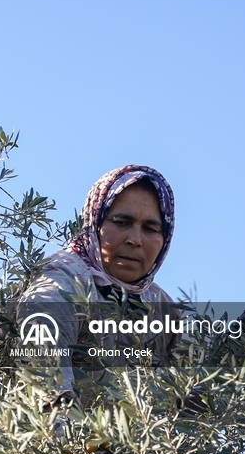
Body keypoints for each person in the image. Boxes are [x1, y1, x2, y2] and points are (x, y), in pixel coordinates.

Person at [15, 164, 178, 408]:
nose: (134, 239)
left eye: (150, 228)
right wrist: (65, 439)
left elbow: (198, 393)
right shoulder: (61, 280)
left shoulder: (160, 306)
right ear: (94, 223)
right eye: (121, 222)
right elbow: (45, 382)